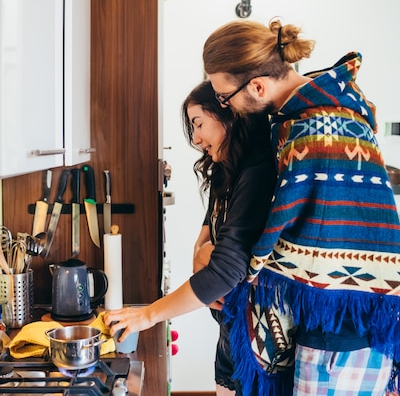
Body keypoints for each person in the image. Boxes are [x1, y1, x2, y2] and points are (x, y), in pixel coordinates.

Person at [201, 18, 400, 396]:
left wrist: (234, 275)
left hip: (346, 327)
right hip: (340, 316)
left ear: (257, 86)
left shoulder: (315, 129)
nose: (228, 107)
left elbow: (313, 235)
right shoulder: (309, 113)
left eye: (225, 97)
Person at [104, 80, 282, 395]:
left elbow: (225, 270)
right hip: (230, 326)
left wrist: (148, 315)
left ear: (228, 114)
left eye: (199, 124)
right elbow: (210, 226)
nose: (196, 138)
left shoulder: (257, 172)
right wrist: (200, 253)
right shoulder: (228, 167)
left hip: (255, 336)